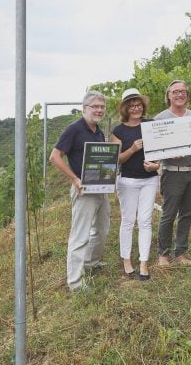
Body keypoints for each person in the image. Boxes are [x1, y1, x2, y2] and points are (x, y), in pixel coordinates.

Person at [49, 90, 111, 292]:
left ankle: (90, 264)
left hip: (100, 189)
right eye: (95, 106)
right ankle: (75, 282)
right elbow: (55, 156)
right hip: (83, 190)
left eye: (102, 106)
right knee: (80, 236)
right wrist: (75, 179)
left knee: (101, 230)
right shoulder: (74, 129)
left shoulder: (98, 131)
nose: (99, 110)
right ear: (85, 108)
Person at [155, 80, 191, 266]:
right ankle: (163, 255)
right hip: (173, 173)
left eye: (183, 92)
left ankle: (180, 254)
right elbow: (155, 148)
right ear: (169, 95)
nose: (180, 95)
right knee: (168, 215)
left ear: (187, 95)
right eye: (175, 92)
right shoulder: (160, 119)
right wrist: (169, 153)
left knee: (186, 214)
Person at [110, 88, 160, 281]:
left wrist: (157, 165)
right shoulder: (118, 131)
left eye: (139, 105)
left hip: (149, 180)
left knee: (145, 221)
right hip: (127, 181)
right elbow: (116, 160)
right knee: (128, 220)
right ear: (126, 108)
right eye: (132, 105)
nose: (136, 108)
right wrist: (132, 149)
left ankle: (144, 262)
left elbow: (161, 151)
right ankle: (126, 260)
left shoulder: (151, 125)